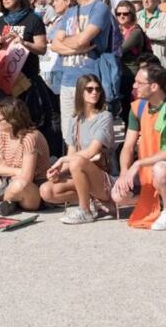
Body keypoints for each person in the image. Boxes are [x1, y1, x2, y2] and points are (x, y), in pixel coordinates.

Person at [114, 62, 166, 231]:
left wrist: (139, 163)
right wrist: (124, 173)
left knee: (161, 170)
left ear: (154, 86)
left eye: (139, 83)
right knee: (118, 195)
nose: (134, 86)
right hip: (145, 172)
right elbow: (127, 146)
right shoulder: (137, 107)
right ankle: (158, 199)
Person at [49, 0, 115, 145]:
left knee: (90, 134)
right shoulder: (70, 11)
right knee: (68, 136)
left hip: (89, 79)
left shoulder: (99, 8)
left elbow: (82, 39)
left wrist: (72, 42)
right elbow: (54, 44)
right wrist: (75, 46)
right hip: (67, 79)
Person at [46, 74, 117, 224]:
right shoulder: (75, 120)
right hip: (81, 173)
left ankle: (85, 210)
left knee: (77, 161)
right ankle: (93, 201)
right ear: (80, 92)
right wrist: (58, 171)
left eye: (97, 89)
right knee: (46, 190)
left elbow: (92, 151)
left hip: (105, 178)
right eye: (89, 89)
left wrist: (62, 160)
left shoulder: (105, 116)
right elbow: (72, 153)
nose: (94, 93)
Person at [0, 96, 50, 216]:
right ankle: (9, 201)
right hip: (9, 180)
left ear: (12, 121)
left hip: (33, 190)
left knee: (19, 185)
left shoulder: (30, 138)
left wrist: (7, 170)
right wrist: (17, 171)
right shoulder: (3, 134)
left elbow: (26, 179)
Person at [137, 0, 166, 65]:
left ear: (157, 0)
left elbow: (164, 34)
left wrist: (142, 33)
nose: (146, 1)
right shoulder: (137, 15)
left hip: (158, 57)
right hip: (141, 57)